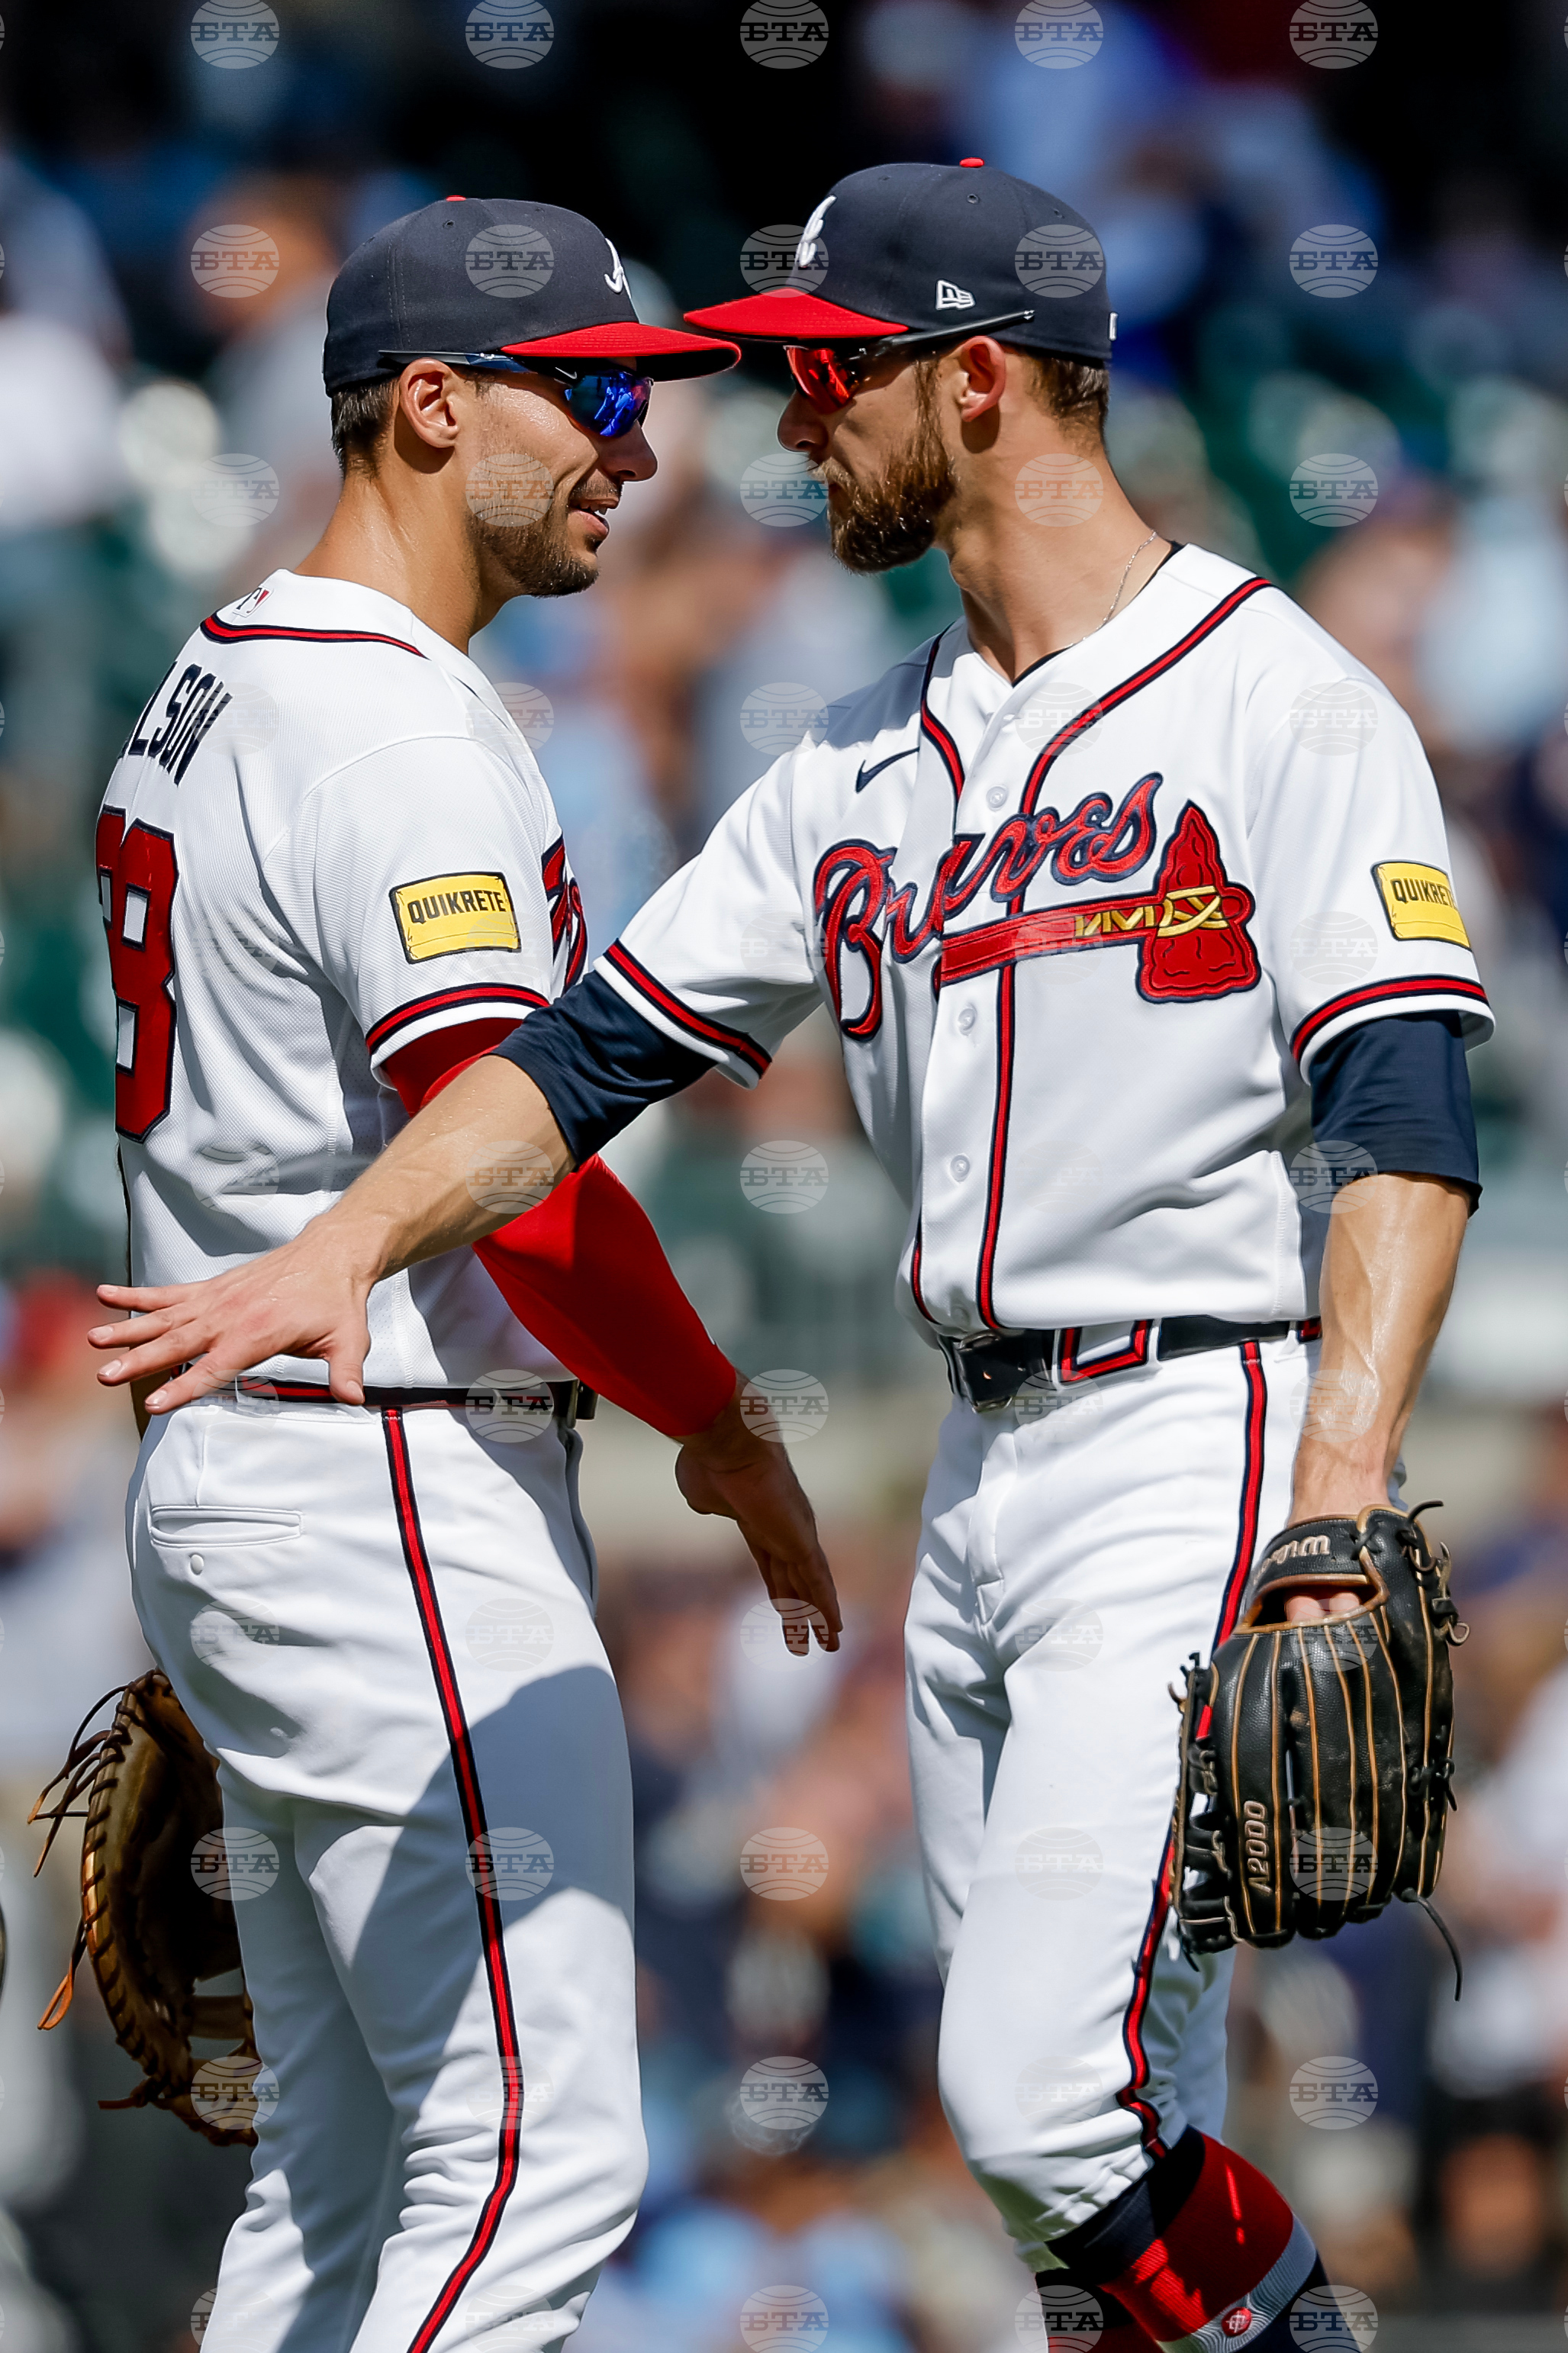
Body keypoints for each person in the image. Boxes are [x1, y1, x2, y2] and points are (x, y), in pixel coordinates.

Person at [92, 164, 1489, 2349]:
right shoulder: (858, 753)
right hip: (975, 1461)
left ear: (982, 381)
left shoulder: (1278, 702)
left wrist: (1336, 1490)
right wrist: (349, 1243)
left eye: (824, 375)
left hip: (1193, 1420)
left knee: (1039, 2094)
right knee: (1095, 2155)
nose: (779, 424)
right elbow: (571, 1065)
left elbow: (1407, 1117)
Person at [86, 195, 839, 2353]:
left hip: (262, 1466)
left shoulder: (221, 671)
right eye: (595, 396)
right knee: (544, 2152)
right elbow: (515, 1172)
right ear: (429, 406)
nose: (639, 452)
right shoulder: (402, 732)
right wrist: (723, 1418)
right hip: (385, 1467)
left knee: (340, 2189)